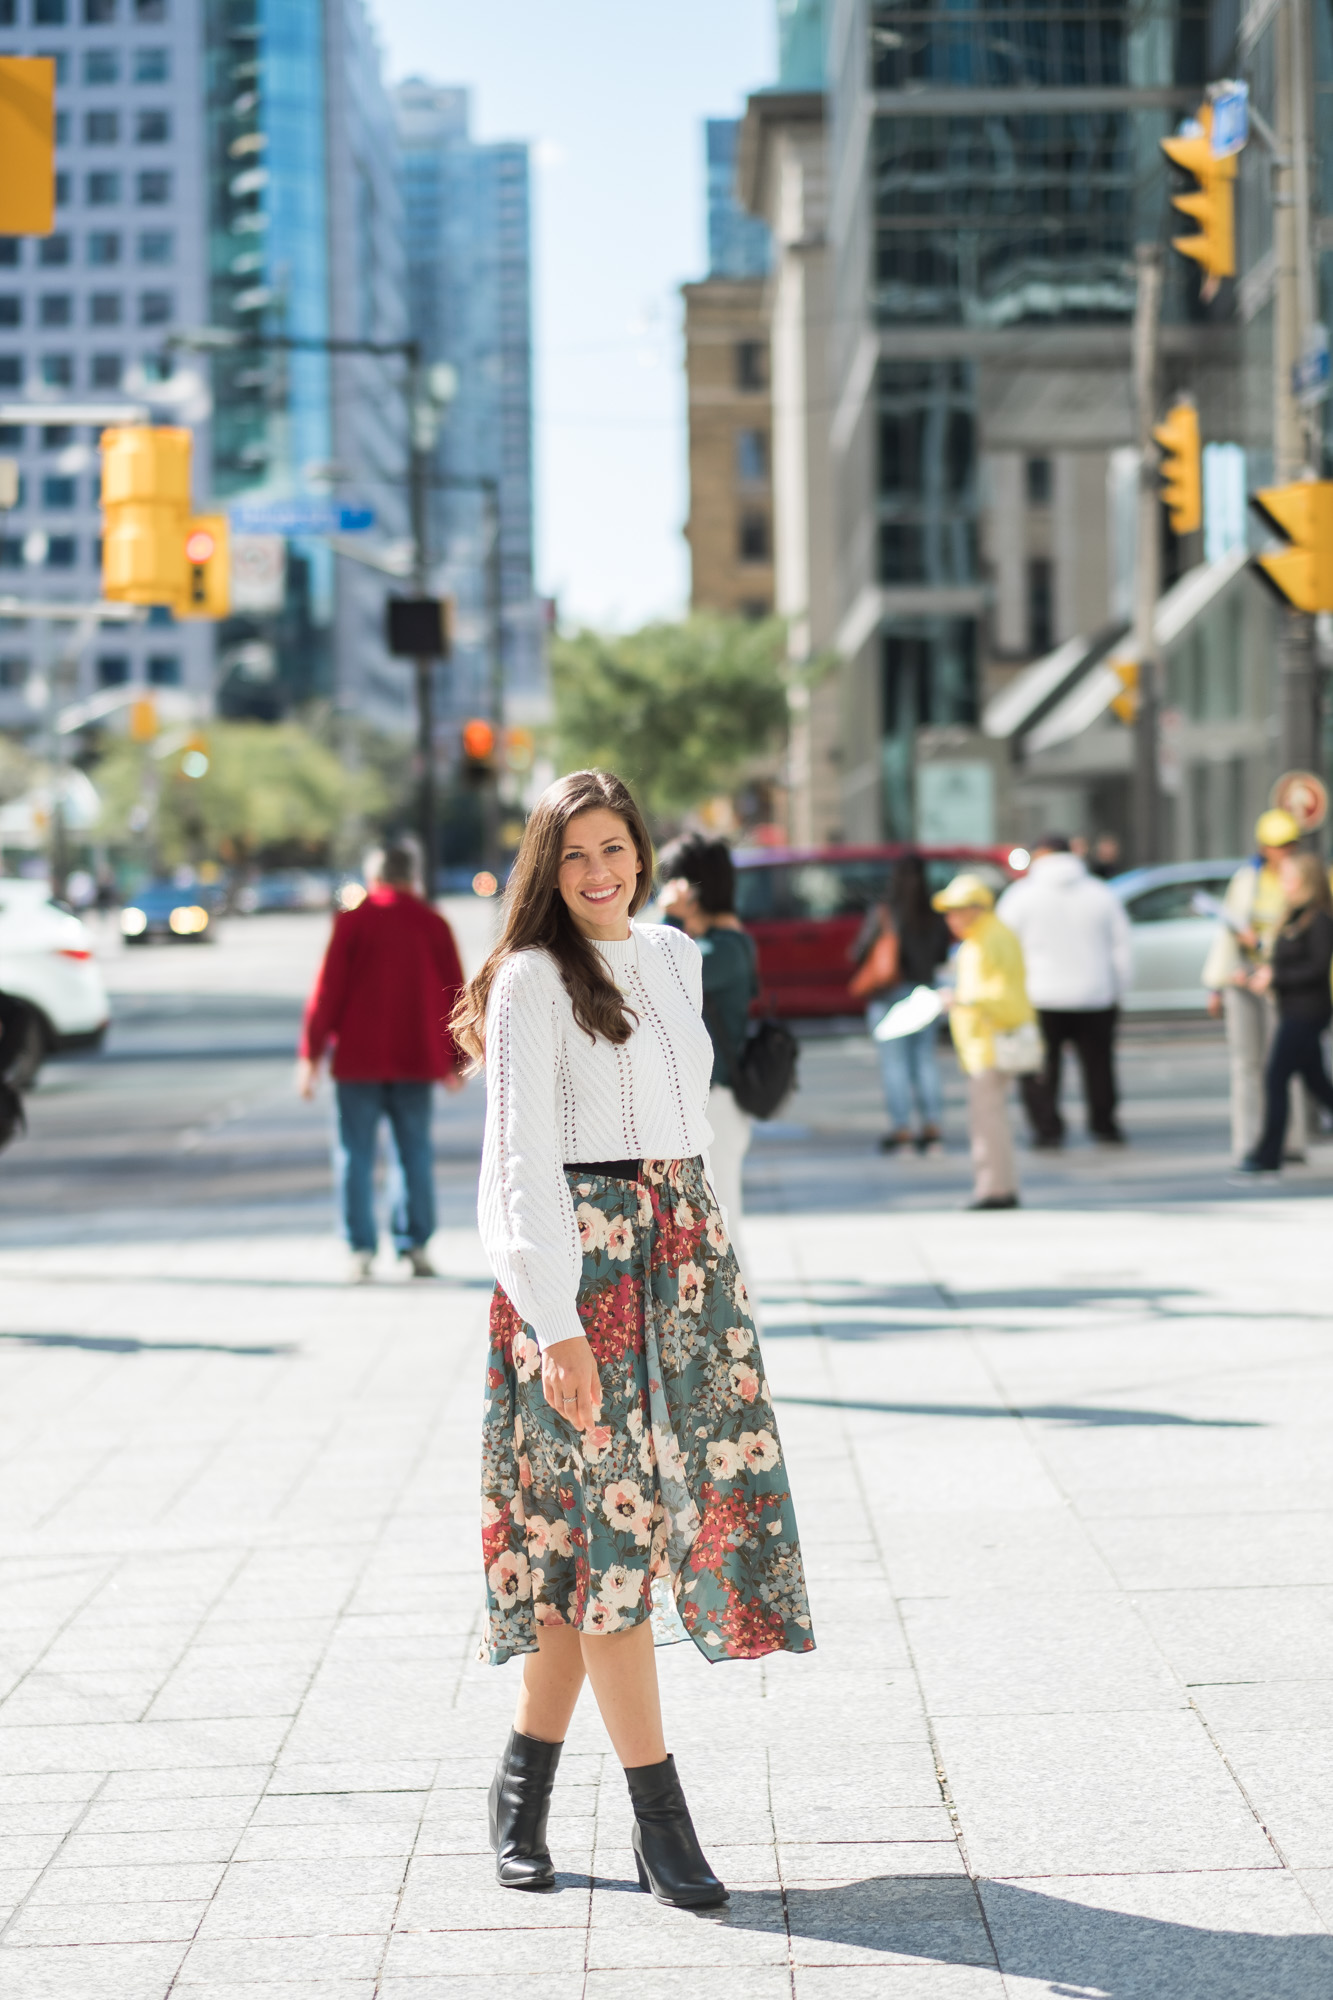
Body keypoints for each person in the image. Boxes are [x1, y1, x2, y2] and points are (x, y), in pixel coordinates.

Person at [452, 769, 813, 1908]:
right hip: (582, 1278)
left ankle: (518, 1789)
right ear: (545, 871)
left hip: (683, 1260)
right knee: (606, 1550)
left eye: (616, 848)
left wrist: (714, 1273)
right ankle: (664, 1821)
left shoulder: (671, 956)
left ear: (643, 853)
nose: (601, 872)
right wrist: (556, 1323)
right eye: (575, 856)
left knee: (601, 1553)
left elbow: (686, 1128)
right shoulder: (526, 980)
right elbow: (515, 1165)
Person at [298, 838, 465, 1281]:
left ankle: (360, 1249)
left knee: (354, 1154)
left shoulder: (352, 923)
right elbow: (456, 994)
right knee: (414, 1153)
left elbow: (327, 992)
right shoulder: (432, 924)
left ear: (373, 878)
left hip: (358, 1058)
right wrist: (456, 1060)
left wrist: (311, 1055)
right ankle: (415, 1246)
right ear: (412, 877)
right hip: (417, 1058)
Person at [657, 833, 759, 1264]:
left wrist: (665, 915)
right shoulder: (710, 944)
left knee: (721, 1220)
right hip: (701, 1101)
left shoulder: (724, 949)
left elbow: (654, 973)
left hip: (717, 1101)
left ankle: (743, 1326)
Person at [996, 834, 1132, 1147]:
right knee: (1099, 1067)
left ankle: (1048, 1129)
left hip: (1039, 995)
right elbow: (1122, 947)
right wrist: (1118, 989)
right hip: (1096, 993)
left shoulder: (1021, 895)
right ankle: (1104, 1124)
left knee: (1041, 1070)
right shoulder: (1100, 893)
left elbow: (1004, 949)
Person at [1203, 808, 1307, 1162]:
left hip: (1280, 981)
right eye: (1278, 845)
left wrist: (1266, 953)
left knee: (1284, 1064)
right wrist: (1216, 985)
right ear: (1264, 847)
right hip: (1242, 976)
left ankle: (1289, 1140)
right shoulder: (1246, 879)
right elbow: (1227, 933)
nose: (1285, 852)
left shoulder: (1301, 881)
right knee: (1246, 1064)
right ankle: (1248, 1140)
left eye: (1290, 845)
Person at [933, 873, 1034, 1210]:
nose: (951, 918)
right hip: (981, 1043)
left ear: (977, 909)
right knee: (989, 1118)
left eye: (957, 910)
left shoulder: (990, 938)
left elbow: (1004, 994)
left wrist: (961, 999)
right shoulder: (981, 938)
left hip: (990, 1041)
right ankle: (998, 1186)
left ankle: (994, 1189)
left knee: (987, 1119)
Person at [1234, 850, 1333, 1177]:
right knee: (1317, 1083)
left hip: (1308, 1010)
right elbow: (1280, 959)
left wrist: (1275, 978)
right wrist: (1256, 970)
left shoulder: (1320, 919)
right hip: (1291, 1006)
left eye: (1291, 879)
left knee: (1276, 1077)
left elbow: (1316, 969)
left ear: (1308, 882)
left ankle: (1268, 1154)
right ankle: (1267, 1153)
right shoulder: (1290, 915)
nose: (1285, 884)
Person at [851, 855, 950, 1153]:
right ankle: (932, 1124)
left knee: (894, 1063)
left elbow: (859, 951)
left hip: (890, 993)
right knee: (925, 1060)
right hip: (926, 991)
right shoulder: (934, 913)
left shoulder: (885, 912)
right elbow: (942, 955)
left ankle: (902, 1128)